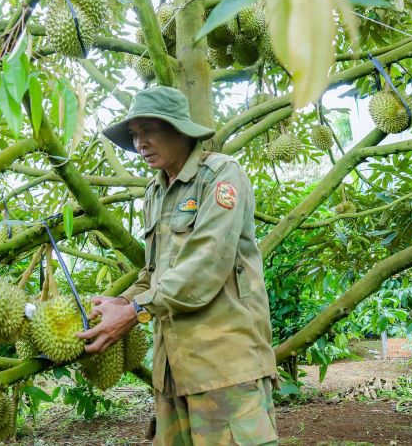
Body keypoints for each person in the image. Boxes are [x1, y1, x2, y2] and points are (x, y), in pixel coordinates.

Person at [76, 86, 278, 445]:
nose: (140, 143)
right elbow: (155, 273)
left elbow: (205, 265)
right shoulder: (155, 192)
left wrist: (135, 311)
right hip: (172, 372)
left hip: (225, 368)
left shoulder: (220, 176)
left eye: (149, 130)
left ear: (180, 129)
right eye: (135, 135)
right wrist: (121, 302)